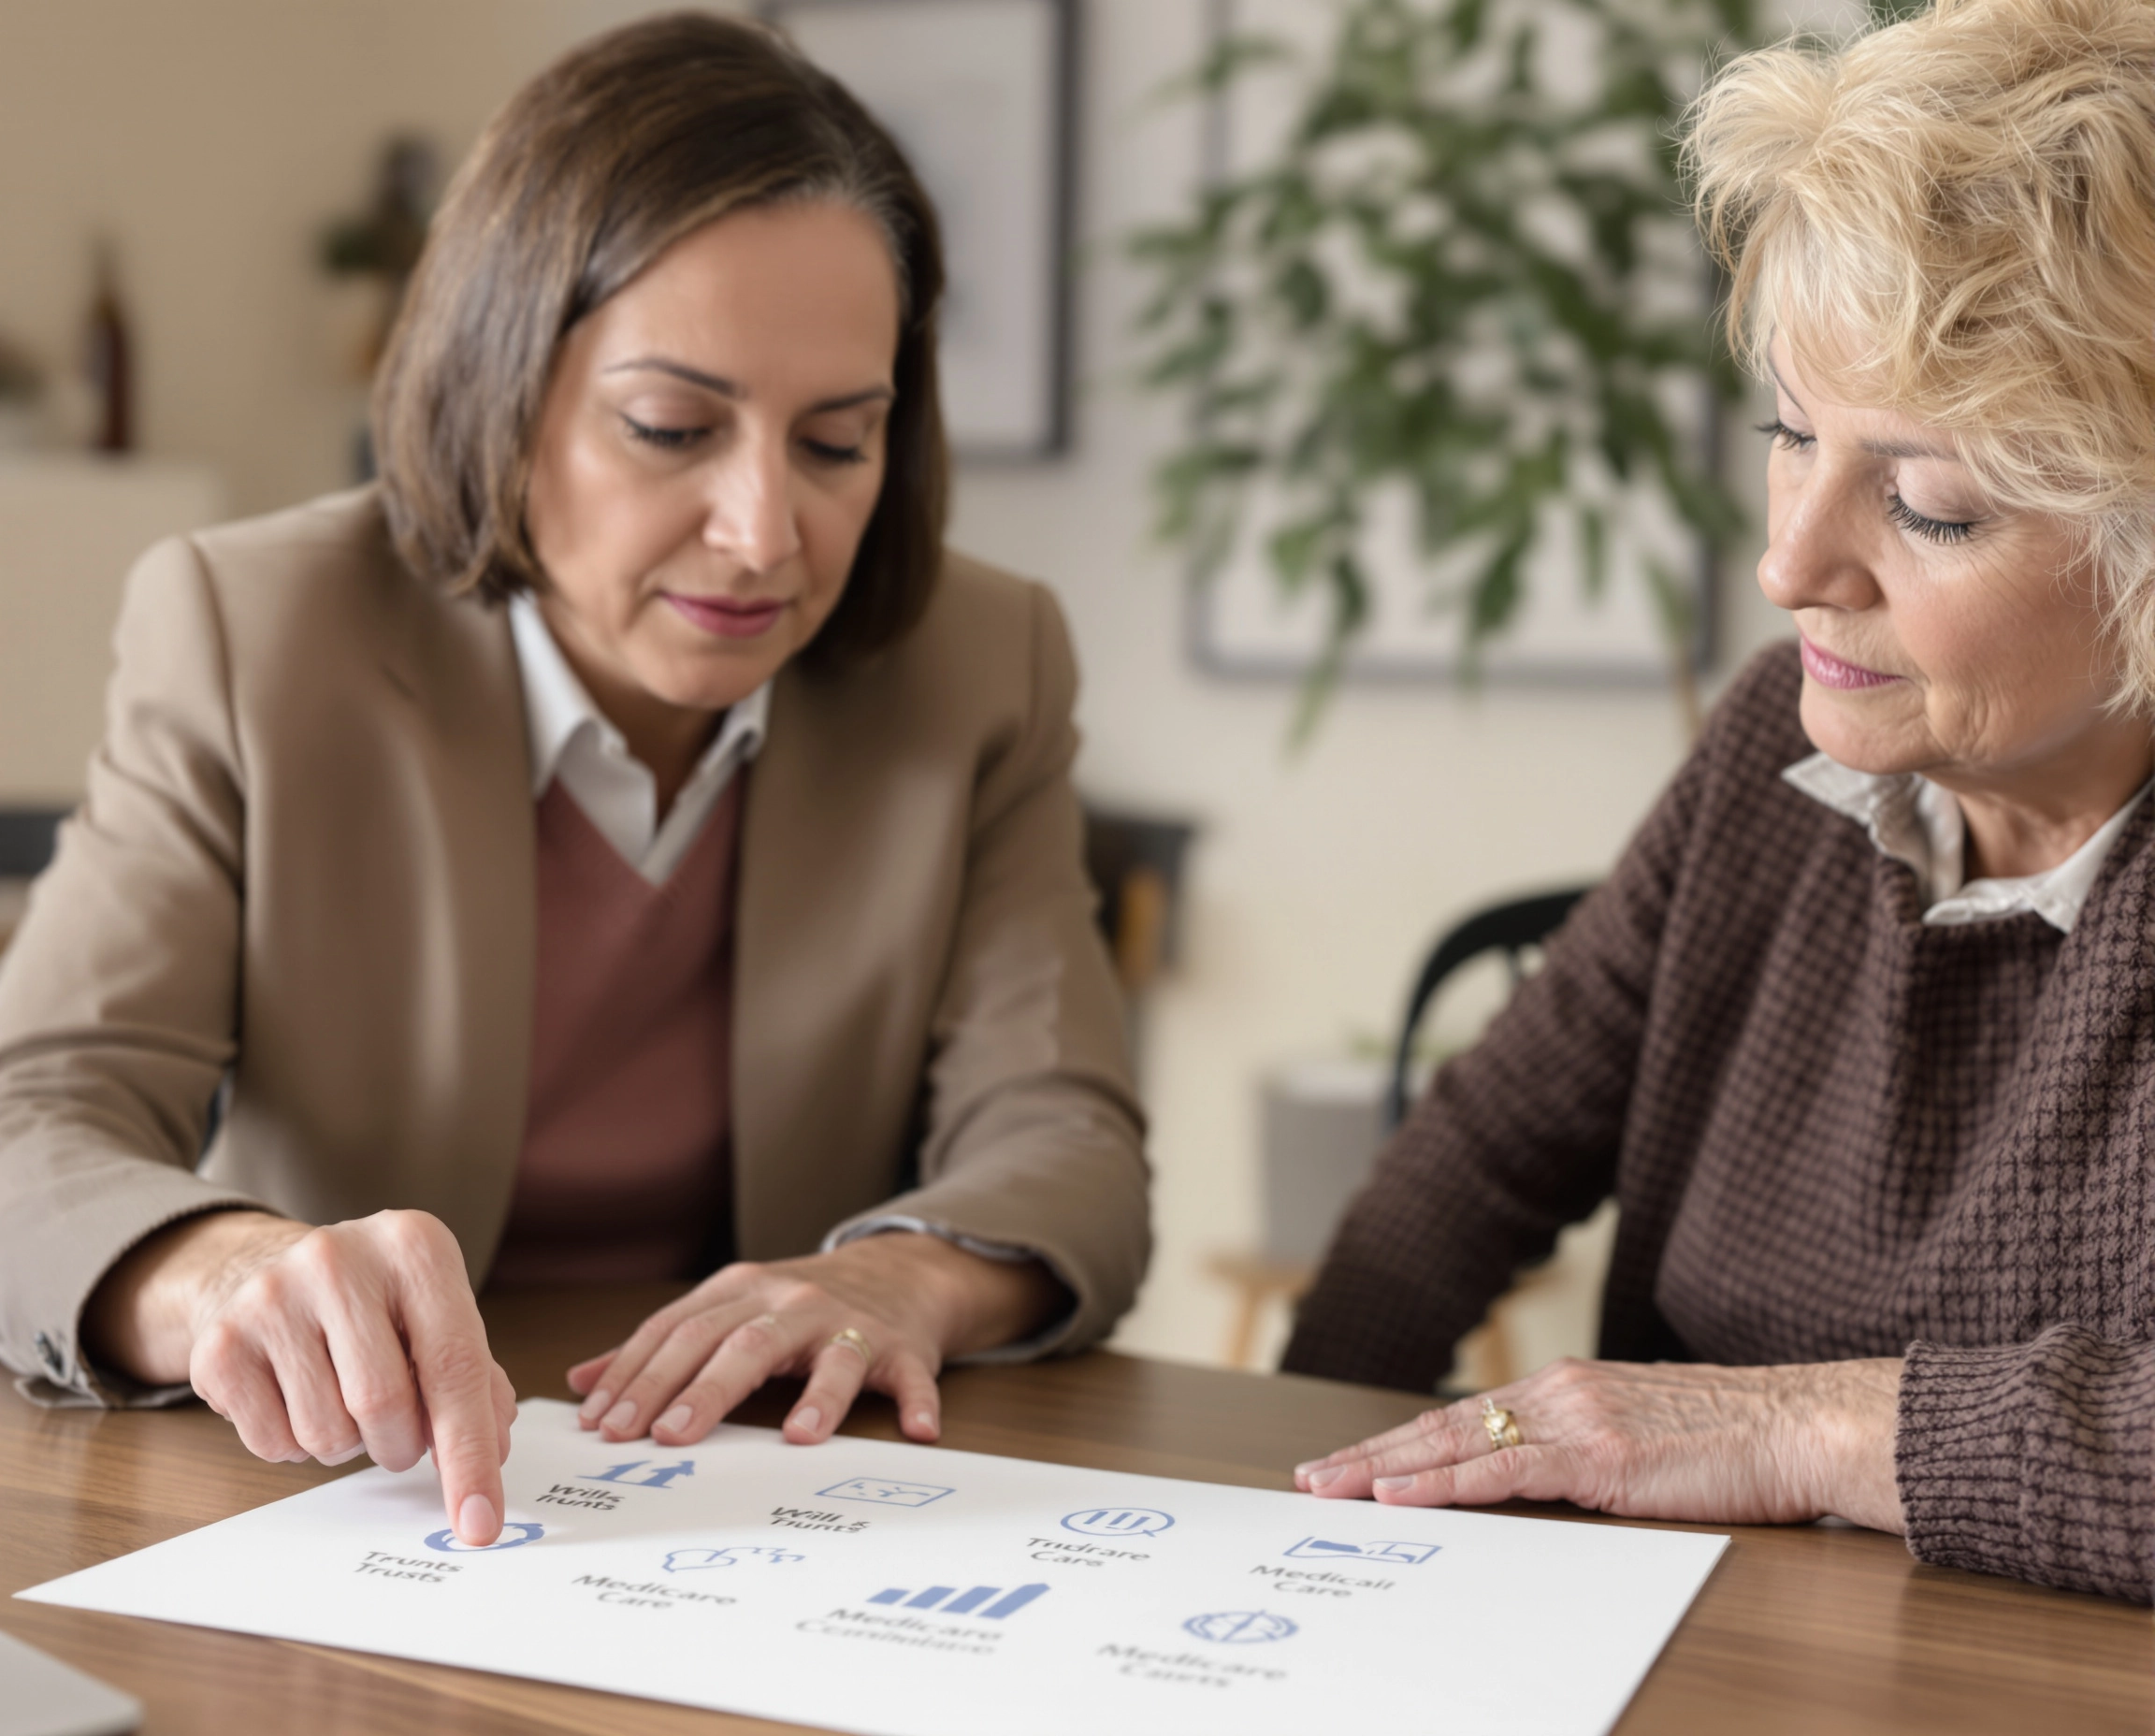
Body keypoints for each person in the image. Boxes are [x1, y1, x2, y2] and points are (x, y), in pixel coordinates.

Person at [0, 13, 1149, 1551]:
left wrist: (895, 1279)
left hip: (764, 1507)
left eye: (837, 442)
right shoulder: (252, 628)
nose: (762, 531)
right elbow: (33, 1122)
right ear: (503, 387)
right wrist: (219, 1273)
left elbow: (1068, 1140)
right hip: (367, 1501)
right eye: (672, 427)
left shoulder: (980, 660)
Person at [1283, 0, 2155, 1604]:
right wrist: (1296, 1501)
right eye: (1790, 434)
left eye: (1931, 505)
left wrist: (1811, 1432)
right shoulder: (1777, 746)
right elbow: (1477, 1159)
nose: (1789, 567)